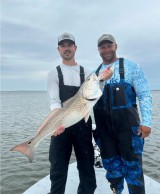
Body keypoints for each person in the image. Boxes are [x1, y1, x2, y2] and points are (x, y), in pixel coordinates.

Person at [93, 34, 152, 194]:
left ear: (115, 46)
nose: (106, 50)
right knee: (111, 168)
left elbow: (145, 95)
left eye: (109, 45)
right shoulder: (95, 74)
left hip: (128, 130)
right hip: (104, 132)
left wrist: (146, 122)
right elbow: (87, 101)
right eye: (102, 47)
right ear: (98, 49)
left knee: (133, 167)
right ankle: (116, 191)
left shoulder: (132, 67)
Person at [47, 32, 99, 194]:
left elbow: (97, 94)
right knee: (57, 167)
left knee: (86, 165)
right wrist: (56, 123)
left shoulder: (88, 73)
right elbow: (55, 101)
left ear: (75, 48)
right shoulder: (54, 73)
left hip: (83, 125)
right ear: (58, 49)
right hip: (61, 124)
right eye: (63, 45)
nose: (66, 48)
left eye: (69, 45)